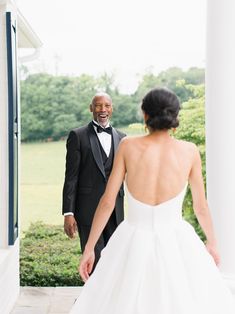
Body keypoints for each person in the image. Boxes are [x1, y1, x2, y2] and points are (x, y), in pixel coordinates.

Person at [69, 87, 235, 314]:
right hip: (177, 240)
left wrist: (89, 248)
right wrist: (213, 243)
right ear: (175, 116)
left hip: (131, 238)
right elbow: (201, 207)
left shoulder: (128, 146)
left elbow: (108, 202)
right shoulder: (189, 151)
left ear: (145, 115)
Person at [62, 92, 125, 268]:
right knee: (93, 260)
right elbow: (71, 177)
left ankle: (110, 296)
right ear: (91, 108)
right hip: (87, 210)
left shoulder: (123, 138)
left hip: (115, 212)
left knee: (114, 260)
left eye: (107, 105)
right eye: (98, 105)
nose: (102, 109)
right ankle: (93, 295)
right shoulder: (78, 135)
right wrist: (68, 213)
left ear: (112, 109)